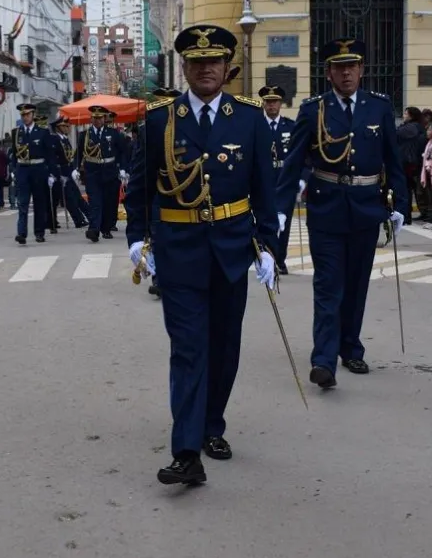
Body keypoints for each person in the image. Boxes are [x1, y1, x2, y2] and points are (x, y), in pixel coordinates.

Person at [125, 24, 279, 485]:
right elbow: (139, 188)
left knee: (224, 347)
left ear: (227, 68)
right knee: (189, 349)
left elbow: (264, 192)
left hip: (232, 249)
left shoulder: (250, 119)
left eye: (214, 61)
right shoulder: (159, 119)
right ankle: (187, 450)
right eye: (196, 61)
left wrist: (268, 247)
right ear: (186, 68)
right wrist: (137, 238)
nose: (206, 68)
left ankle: (213, 425)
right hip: (179, 251)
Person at [276, 38, 407, 387]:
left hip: (367, 206)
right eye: (338, 67)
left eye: (352, 66)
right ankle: (323, 360)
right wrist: (279, 209)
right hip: (327, 207)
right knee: (329, 285)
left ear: (361, 69)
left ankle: (351, 347)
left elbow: (393, 159)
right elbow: (293, 164)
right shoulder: (312, 109)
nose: (346, 73)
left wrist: (401, 207)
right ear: (328, 72)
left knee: (356, 284)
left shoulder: (378, 107)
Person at [260, 84, 297, 274]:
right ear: (263, 104)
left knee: (284, 223)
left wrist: (300, 179)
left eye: (274, 102)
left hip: (284, 183)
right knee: (266, 222)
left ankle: (280, 259)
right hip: (263, 183)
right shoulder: (256, 125)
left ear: (280, 104)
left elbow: (300, 156)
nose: (271, 105)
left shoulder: (290, 127)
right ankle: (269, 257)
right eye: (268, 102)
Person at [78, 105, 128, 242]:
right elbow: (79, 154)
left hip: (110, 171)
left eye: (100, 118)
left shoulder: (113, 133)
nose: (97, 120)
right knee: (95, 202)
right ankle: (94, 229)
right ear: (91, 118)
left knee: (109, 202)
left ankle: (106, 228)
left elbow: (122, 152)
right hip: (92, 172)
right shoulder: (85, 135)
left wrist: (123, 169)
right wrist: (75, 169)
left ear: (104, 118)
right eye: (95, 118)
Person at [13, 103, 55, 244]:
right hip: (22, 170)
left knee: (39, 203)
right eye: (23, 115)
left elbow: (50, 154)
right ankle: (22, 233)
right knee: (22, 203)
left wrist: (51, 173)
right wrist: (14, 170)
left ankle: (39, 232)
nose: (25, 117)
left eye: (27, 114)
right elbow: (14, 154)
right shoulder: (17, 132)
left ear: (33, 115)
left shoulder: (43, 132)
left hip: (39, 170)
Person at [49, 116, 89, 228]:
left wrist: (73, 169)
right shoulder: (55, 139)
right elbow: (54, 158)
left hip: (68, 170)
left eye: (67, 126)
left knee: (76, 195)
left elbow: (69, 156)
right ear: (58, 128)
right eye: (65, 126)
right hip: (60, 172)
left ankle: (90, 216)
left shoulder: (65, 139)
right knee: (68, 197)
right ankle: (78, 220)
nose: (68, 128)